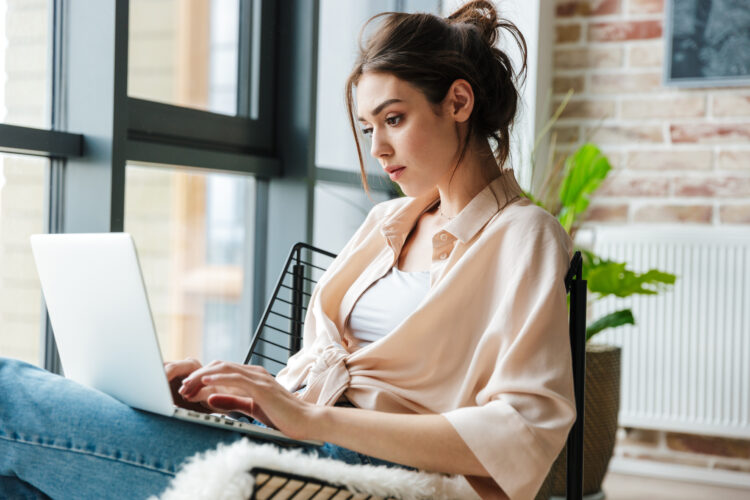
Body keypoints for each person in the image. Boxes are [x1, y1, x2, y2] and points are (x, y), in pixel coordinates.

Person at [0, 2, 575, 499]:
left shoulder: (523, 236)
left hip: (360, 471)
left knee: (7, 394)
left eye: (394, 119)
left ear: (458, 102)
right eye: (368, 126)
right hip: (295, 444)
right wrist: (240, 399)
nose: (378, 147)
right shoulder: (386, 223)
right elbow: (316, 385)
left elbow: (523, 428)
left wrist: (307, 418)